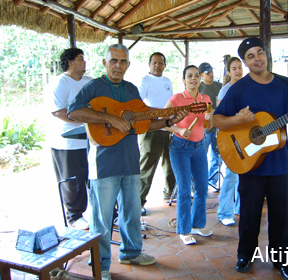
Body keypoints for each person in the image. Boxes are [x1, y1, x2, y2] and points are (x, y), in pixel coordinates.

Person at [67, 44, 188, 280]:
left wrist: (168, 121)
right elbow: (74, 112)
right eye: (113, 61)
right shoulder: (93, 87)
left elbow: (144, 122)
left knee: (132, 212)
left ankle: (131, 252)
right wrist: (108, 118)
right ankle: (100, 264)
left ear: (128, 65)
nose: (118, 65)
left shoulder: (132, 90)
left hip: (131, 161)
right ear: (105, 62)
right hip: (103, 164)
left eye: (123, 62)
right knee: (102, 218)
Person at [213, 37, 288, 280]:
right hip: (248, 162)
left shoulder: (283, 86)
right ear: (245, 62)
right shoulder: (239, 89)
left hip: (277, 162)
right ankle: (245, 255)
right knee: (249, 214)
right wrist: (238, 121)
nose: (257, 58)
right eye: (250, 56)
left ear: (266, 54)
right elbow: (216, 120)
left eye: (260, 52)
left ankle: (283, 261)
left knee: (281, 215)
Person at [164, 65, 213, 245]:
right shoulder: (177, 98)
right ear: (183, 79)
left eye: (196, 76)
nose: (193, 79)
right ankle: (184, 230)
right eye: (189, 76)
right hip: (180, 148)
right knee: (184, 190)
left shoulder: (205, 99)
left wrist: (210, 119)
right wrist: (178, 129)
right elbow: (163, 122)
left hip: (200, 148)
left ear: (200, 79)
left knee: (201, 188)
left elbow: (208, 126)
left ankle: (197, 225)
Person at [47, 47, 92, 230]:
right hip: (67, 142)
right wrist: (86, 119)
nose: (84, 62)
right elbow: (59, 112)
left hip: (90, 139)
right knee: (73, 181)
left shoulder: (89, 82)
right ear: (70, 62)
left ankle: (107, 212)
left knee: (95, 177)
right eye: (81, 58)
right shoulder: (60, 83)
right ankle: (75, 216)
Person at [138, 52, 176, 215]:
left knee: (170, 164)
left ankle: (170, 193)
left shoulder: (167, 81)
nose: (157, 66)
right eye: (154, 63)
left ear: (164, 65)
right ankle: (138, 201)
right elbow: (138, 106)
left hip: (168, 129)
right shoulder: (144, 81)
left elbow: (171, 103)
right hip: (151, 130)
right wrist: (159, 114)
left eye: (160, 63)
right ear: (149, 64)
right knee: (147, 167)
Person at [216, 57, 243, 226]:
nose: (238, 71)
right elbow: (220, 118)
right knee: (232, 176)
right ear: (229, 72)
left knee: (245, 175)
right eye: (234, 68)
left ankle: (240, 208)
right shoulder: (225, 91)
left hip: (245, 138)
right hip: (229, 138)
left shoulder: (248, 87)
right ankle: (224, 213)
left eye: (240, 67)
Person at [198, 62, 223, 188]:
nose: (211, 74)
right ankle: (199, 182)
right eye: (207, 73)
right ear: (201, 75)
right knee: (201, 155)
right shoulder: (199, 88)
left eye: (212, 71)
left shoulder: (220, 86)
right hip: (205, 128)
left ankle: (212, 181)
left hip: (219, 127)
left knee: (218, 156)